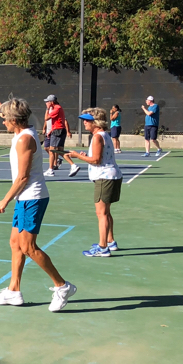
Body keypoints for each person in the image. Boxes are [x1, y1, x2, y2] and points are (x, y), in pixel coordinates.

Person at [0, 81, 77, 311]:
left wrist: (4, 200)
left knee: (29, 247)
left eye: (5, 119)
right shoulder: (24, 128)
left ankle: (62, 286)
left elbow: (22, 178)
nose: (2, 120)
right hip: (25, 198)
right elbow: (2, 108)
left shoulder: (24, 139)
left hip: (32, 197)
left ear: (14, 121)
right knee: (15, 244)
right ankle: (14, 291)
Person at [64, 108, 122, 257]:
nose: (84, 123)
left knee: (101, 213)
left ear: (96, 122)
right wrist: (85, 155)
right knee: (106, 213)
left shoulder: (97, 137)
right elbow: (99, 156)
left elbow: (96, 160)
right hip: (111, 175)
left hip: (104, 178)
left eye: (87, 120)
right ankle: (110, 241)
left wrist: (77, 155)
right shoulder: (104, 135)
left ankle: (103, 248)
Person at [42, 94, 68, 176]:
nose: (47, 103)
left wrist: (47, 108)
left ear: (52, 102)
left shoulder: (57, 108)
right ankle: (73, 165)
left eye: (48, 101)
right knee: (57, 150)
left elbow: (46, 118)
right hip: (56, 130)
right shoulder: (56, 108)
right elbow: (57, 121)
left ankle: (51, 169)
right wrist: (50, 130)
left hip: (58, 131)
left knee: (53, 150)